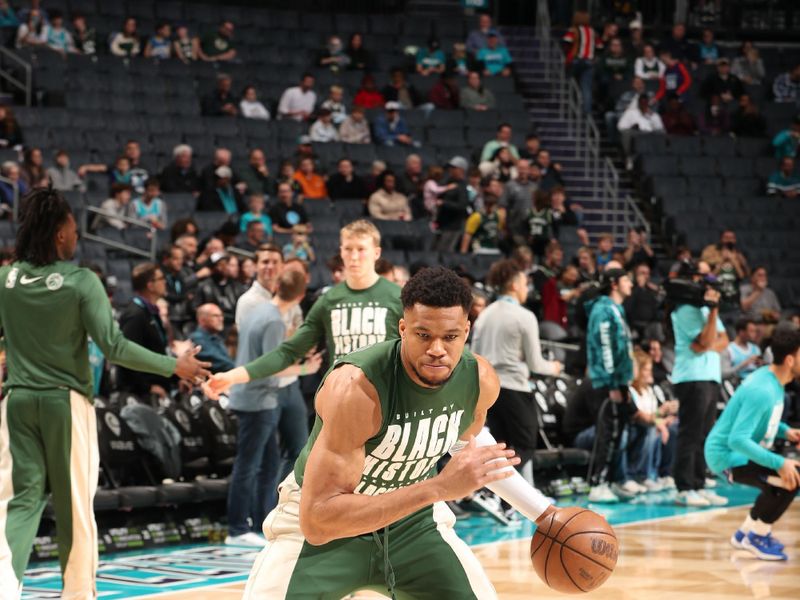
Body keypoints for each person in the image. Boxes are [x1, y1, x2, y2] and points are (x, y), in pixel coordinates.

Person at [206, 266, 558, 598]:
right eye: (424, 335)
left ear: (466, 331)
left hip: (413, 524)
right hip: (323, 526)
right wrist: (438, 487)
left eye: (450, 337)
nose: (437, 349)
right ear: (403, 329)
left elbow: (469, 447)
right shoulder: (356, 389)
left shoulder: (478, 380)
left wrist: (545, 515)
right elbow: (318, 519)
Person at [0, 189, 209, 598]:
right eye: (75, 230)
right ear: (61, 233)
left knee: (18, 502)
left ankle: (4, 586)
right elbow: (115, 347)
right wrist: (173, 364)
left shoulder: (6, 278)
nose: (77, 238)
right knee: (74, 505)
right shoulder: (82, 281)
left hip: (17, 402)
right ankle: (78, 594)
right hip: (64, 403)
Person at [205, 220, 404, 387]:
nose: (354, 256)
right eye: (348, 249)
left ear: (376, 253)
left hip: (385, 401)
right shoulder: (329, 300)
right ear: (341, 252)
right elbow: (287, 352)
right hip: (339, 400)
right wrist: (233, 376)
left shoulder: (397, 297)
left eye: (361, 249)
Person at [226, 269, 322, 546]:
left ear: (277, 286)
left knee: (268, 464)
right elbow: (271, 368)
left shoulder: (259, 310)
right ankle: (236, 529)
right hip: (258, 400)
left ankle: (258, 523)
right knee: (249, 465)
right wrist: (307, 367)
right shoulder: (273, 321)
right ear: (302, 295)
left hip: (256, 399)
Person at [705, 329, 800, 561]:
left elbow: (761, 419)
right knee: (792, 477)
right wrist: (779, 462)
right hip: (727, 456)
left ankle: (745, 533)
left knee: (780, 480)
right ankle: (757, 537)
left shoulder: (772, 379)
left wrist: (786, 432)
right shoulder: (763, 390)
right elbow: (737, 439)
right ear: (790, 360)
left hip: (737, 452)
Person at [472, 260, 562, 481]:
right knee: (524, 446)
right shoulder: (524, 316)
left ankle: (511, 501)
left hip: (488, 392)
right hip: (515, 389)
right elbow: (536, 364)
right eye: (524, 283)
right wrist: (555, 367)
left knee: (501, 446)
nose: (526, 288)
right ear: (513, 285)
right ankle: (503, 496)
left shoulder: (485, 315)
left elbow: (474, 356)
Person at [671, 261, 729, 507]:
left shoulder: (704, 309)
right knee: (690, 433)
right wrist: (713, 313)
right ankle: (684, 487)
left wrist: (707, 346)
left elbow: (723, 339)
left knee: (705, 434)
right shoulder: (684, 309)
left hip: (709, 375)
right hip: (692, 377)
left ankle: (698, 483)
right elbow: (705, 340)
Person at [584, 268, 637, 503]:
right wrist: (613, 382)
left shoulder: (616, 309)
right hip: (608, 382)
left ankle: (614, 480)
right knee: (608, 433)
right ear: (614, 284)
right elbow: (605, 347)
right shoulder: (604, 310)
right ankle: (597, 483)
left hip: (619, 380)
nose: (631, 284)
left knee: (619, 434)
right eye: (627, 279)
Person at [626, 350, 678, 492]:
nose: (650, 373)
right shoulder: (631, 391)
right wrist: (660, 416)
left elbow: (654, 416)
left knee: (674, 426)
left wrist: (665, 419)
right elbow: (642, 417)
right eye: (646, 370)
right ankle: (643, 475)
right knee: (650, 430)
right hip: (637, 427)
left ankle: (664, 474)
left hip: (651, 424)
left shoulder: (650, 391)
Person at [562, 11, 602, 114]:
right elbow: (600, 47)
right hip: (589, 62)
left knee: (570, 82)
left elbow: (566, 42)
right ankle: (586, 112)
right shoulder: (593, 32)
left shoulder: (574, 30)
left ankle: (569, 105)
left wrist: (568, 56)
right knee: (586, 87)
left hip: (577, 60)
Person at [433, 156, 470, 252]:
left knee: (445, 252)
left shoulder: (462, 186)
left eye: (454, 168)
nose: (451, 170)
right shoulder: (447, 182)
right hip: (441, 223)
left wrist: (444, 203)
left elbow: (462, 205)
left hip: (453, 226)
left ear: (461, 170)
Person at [190, 303, 235, 372]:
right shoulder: (197, 339)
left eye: (221, 315)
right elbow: (224, 364)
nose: (221, 319)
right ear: (202, 320)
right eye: (215, 316)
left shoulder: (216, 337)